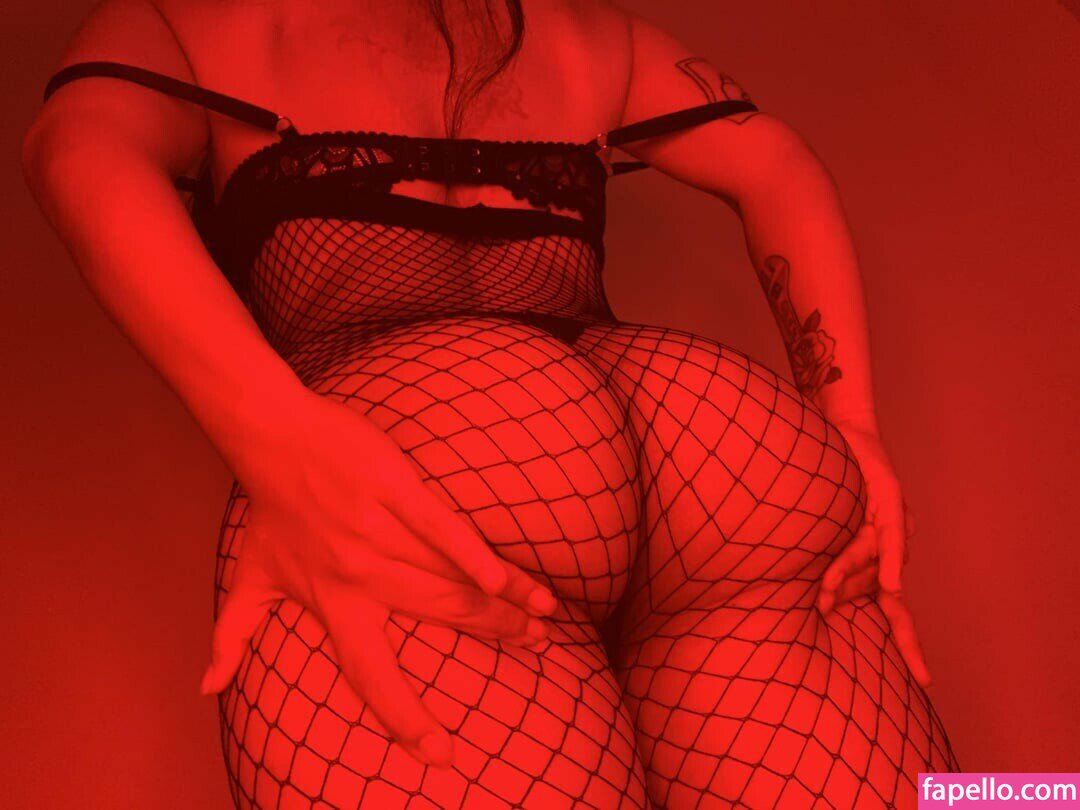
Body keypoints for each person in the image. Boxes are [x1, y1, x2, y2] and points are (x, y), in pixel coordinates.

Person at [22, 0, 960, 807]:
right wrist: (850, 429)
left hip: (441, 444)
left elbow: (76, 146)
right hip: (715, 440)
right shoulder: (590, 32)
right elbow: (777, 162)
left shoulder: (189, 16)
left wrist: (275, 428)